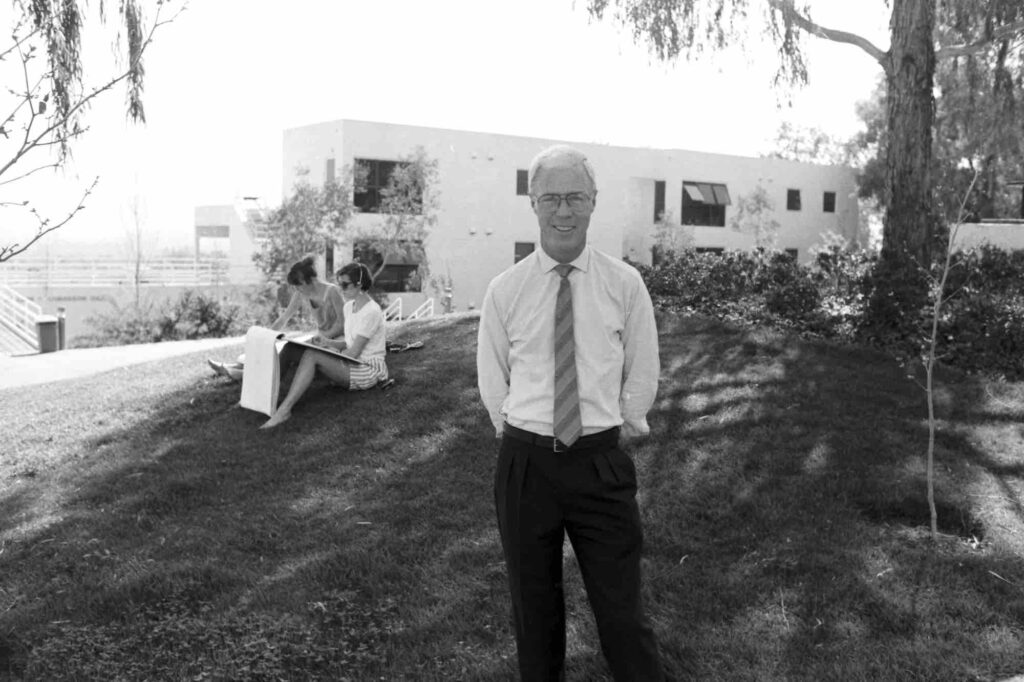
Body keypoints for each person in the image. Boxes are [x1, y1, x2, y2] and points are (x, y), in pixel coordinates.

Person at [476, 144, 664, 681]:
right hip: (526, 467)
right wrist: (519, 437)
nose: (564, 210)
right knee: (533, 612)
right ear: (533, 203)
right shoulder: (506, 290)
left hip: (598, 465)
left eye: (575, 197)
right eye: (552, 198)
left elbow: (642, 366)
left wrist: (626, 418)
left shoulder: (624, 284)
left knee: (622, 613)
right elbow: (493, 379)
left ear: (593, 202)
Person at [261, 261, 388, 429]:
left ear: (359, 284)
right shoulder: (350, 306)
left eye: (345, 284)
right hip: (353, 362)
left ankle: (284, 411)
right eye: (340, 283)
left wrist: (327, 352)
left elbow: (354, 353)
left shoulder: (371, 311)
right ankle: (264, 397)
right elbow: (348, 343)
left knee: (312, 355)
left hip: (368, 369)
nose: (341, 288)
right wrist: (326, 342)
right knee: (294, 349)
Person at [208, 256, 345, 379]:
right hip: (320, 338)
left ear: (306, 281)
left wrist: (324, 337)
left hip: (336, 341)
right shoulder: (302, 293)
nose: (296, 290)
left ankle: (241, 374)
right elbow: (285, 317)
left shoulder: (332, 291)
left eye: (298, 286)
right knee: (276, 349)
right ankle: (234, 367)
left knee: (288, 350)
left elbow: (342, 323)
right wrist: (268, 336)